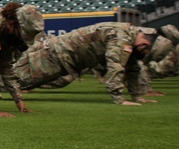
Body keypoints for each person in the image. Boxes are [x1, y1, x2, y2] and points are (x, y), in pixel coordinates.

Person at [12, 23, 158, 104]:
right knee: (20, 80)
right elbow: (116, 65)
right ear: (144, 44)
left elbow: (132, 68)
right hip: (57, 55)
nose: (143, 57)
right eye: (145, 53)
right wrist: (119, 98)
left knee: (47, 82)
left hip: (67, 59)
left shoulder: (130, 39)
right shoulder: (122, 37)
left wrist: (137, 96)